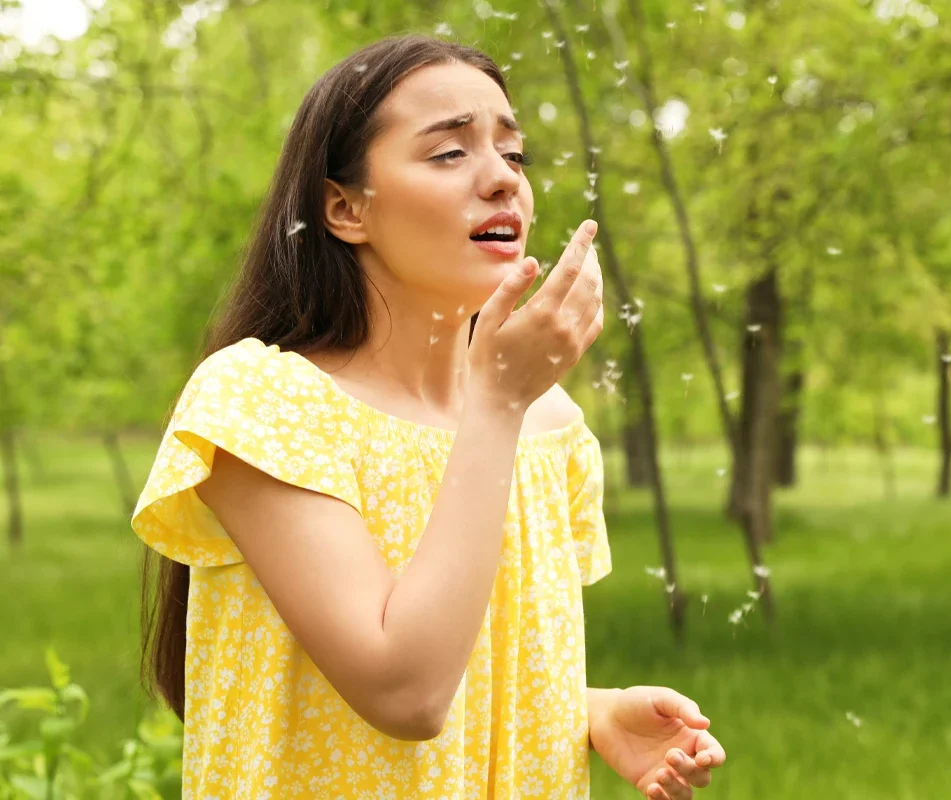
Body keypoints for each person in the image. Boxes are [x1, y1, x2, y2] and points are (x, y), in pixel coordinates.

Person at [132, 34, 725, 799]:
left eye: (515, 154)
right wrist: (498, 402)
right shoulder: (264, 404)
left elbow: (477, 655)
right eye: (449, 152)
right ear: (345, 208)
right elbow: (405, 692)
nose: (503, 179)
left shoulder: (548, 423)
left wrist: (588, 709)